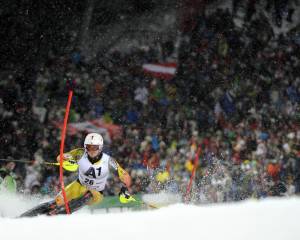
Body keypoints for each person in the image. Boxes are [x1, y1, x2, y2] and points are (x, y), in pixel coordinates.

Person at [20, 132, 135, 217]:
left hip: (96, 192)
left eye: (95, 148)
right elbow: (62, 156)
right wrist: (65, 160)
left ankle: (60, 214)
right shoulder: (80, 153)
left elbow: (124, 174)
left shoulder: (108, 160)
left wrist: (125, 184)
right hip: (78, 185)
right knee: (56, 202)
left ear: (100, 147)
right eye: (89, 147)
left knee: (88, 194)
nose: (91, 150)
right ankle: (25, 216)